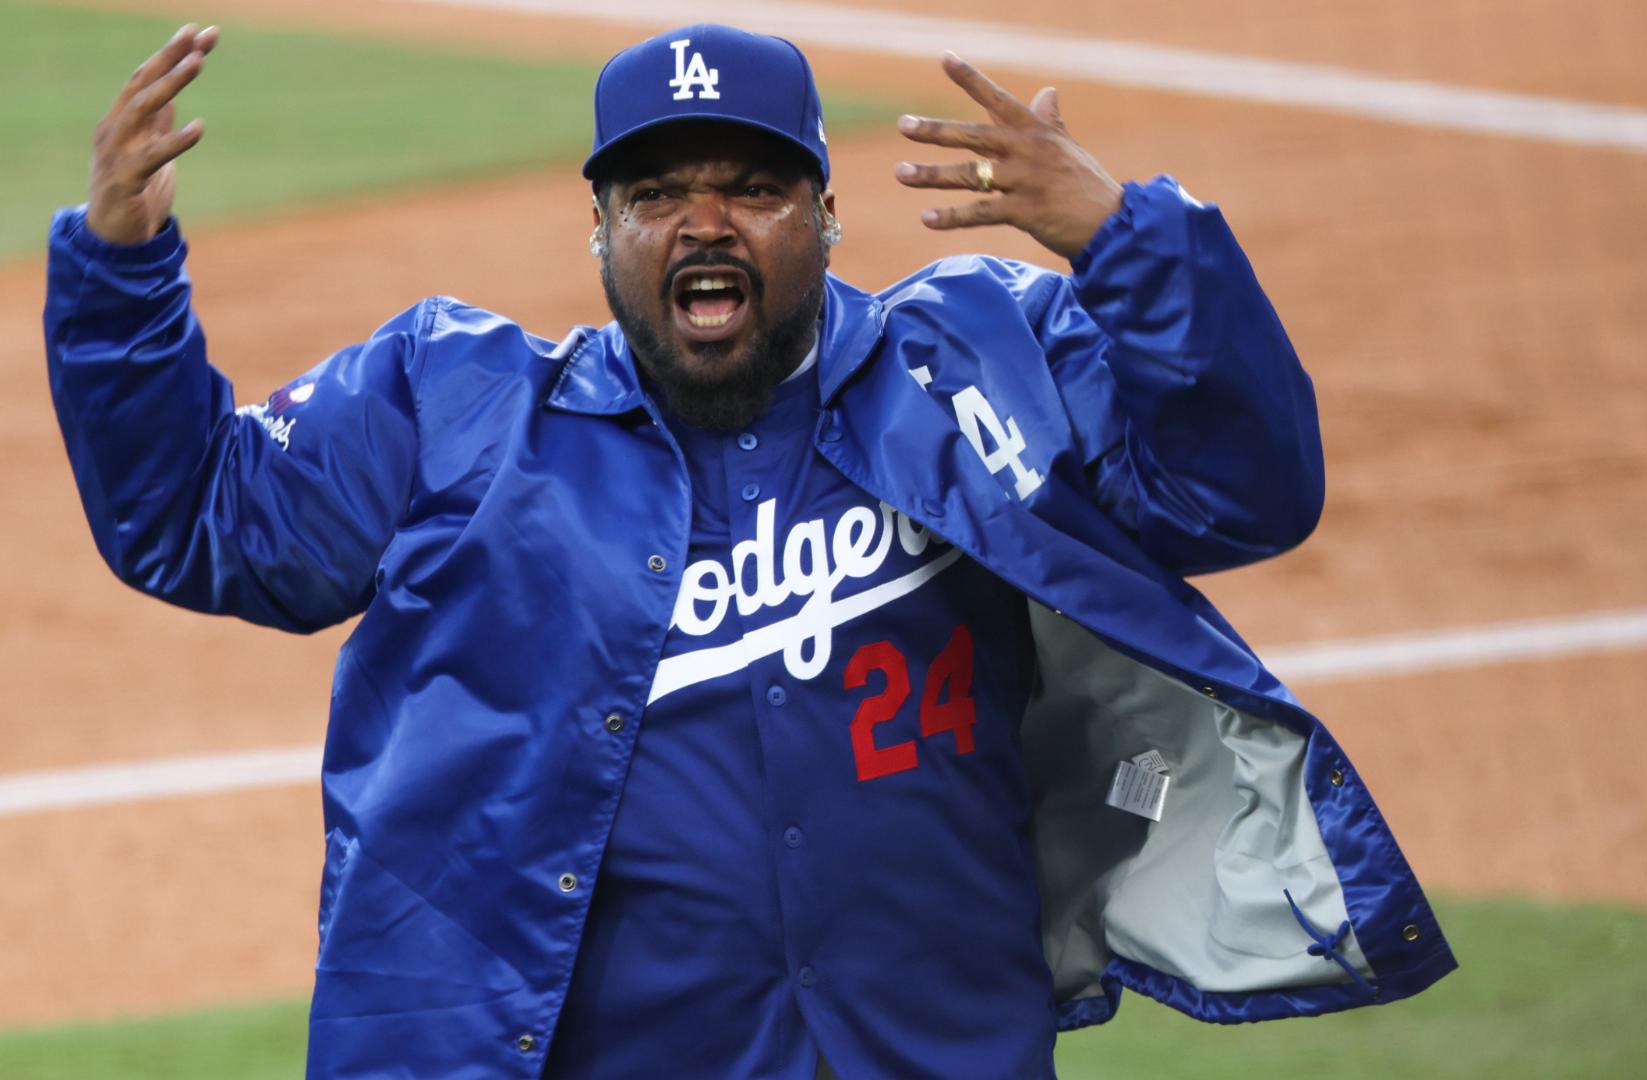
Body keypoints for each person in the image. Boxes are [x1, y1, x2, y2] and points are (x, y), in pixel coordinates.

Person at [45, 21, 1455, 1080]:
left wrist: (1130, 243)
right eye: (658, 193)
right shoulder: (456, 413)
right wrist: (120, 273)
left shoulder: (974, 369)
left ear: (830, 218)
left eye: (753, 187)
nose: (705, 220)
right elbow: (199, 522)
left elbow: (1247, 490)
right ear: (599, 230)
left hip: (933, 1049)